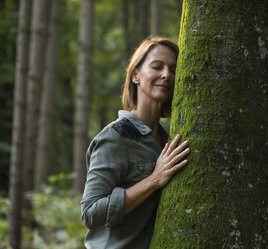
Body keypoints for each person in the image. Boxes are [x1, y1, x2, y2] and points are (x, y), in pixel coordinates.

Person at [81, 36, 190, 249]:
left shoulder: (167, 140)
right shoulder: (115, 137)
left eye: (173, 70)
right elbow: (90, 212)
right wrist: (154, 179)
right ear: (136, 76)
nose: (166, 75)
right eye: (157, 67)